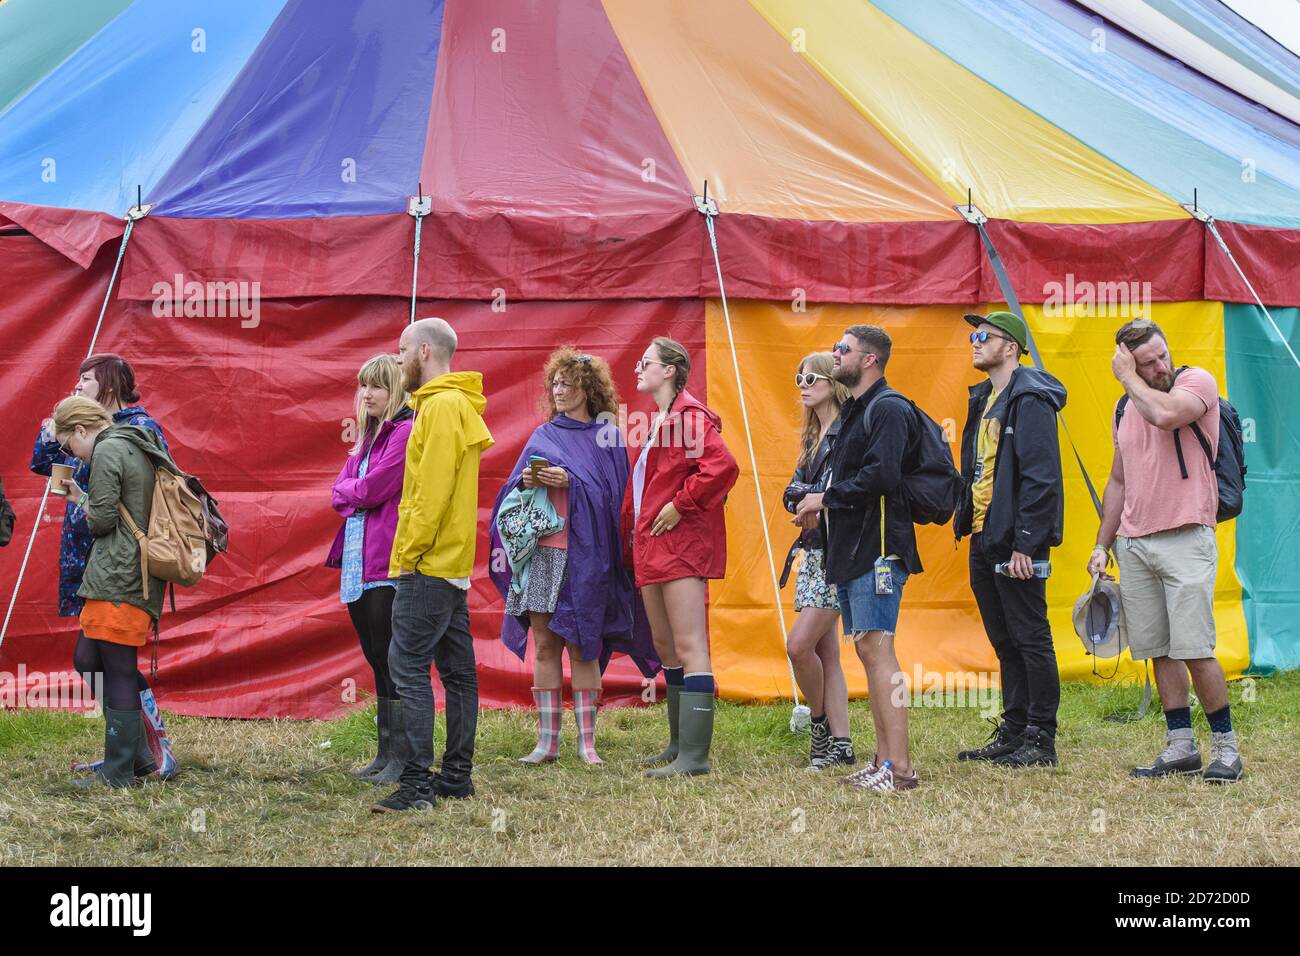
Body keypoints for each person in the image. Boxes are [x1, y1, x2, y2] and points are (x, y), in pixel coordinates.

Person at [1087, 319, 1242, 782]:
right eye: (1147, 361)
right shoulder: (1122, 408)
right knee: (1158, 649)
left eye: (1161, 354)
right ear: (1128, 359)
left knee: (1195, 647)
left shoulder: (1196, 383)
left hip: (1187, 537)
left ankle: (1227, 747)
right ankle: (1180, 746)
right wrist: (1102, 543)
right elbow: (1118, 480)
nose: (1160, 365)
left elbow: (1167, 414)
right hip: (1135, 544)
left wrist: (1128, 376)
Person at [489, 349, 657, 765]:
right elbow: (509, 497)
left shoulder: (609, 437)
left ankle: (587, 744)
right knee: (545, 647)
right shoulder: (542, 435)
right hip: (545, 556)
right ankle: (546, 743)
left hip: (588, 559)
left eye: (567, 383)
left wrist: (572, 482)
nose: (559, 390)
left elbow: (619, 503)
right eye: (555, 384)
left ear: (588, 388)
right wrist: (529, 481)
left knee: (584, 647)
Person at [31, 354, 178, 779]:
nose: (77, 385)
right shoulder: (106, 439)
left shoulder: (128, 435)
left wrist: (81, 498)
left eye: (86, 379)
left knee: (115, 664)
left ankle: (140, 756)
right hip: (97, 562)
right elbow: (45, 462)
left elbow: (108, 513)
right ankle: (132, 755)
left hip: (119, 564)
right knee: (91, 657)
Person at [373, 318, 494, 813]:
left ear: (424, 351)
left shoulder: (441, 406)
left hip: (428, 565)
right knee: (459, 673)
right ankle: (457, 777)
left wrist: (409, 555)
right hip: (450, 565)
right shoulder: (451, 403)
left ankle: (418, 785)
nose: (397, 360)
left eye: (401, 350)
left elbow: (430, 494)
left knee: (408, 669)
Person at [795, 325, 921, 792]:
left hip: (879, 549)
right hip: (851, 549)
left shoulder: (886, 407)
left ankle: (900, 770)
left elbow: (882, 477)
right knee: (868, 649)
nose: (834, 355)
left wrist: (822, 498)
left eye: (841, 350)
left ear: (868, 359)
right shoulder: (859, 412)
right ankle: (881, 760)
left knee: (878, 648)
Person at [953, 311, 1066, 767]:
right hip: (985, 534)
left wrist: (1025, 543)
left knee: (1031, 636)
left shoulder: (1031, 398)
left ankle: (1042, 737)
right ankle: (1015, 730)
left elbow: (1042, 478)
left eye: (985, 336)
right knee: (1004, 638)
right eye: (974, 335)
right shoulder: (985, 397)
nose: (975, 342)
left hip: (1016, 540)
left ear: (1012, 347)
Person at [623, 337, 738, 778]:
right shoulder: (660, 420)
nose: (638, 367)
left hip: (680, 546)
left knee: (690, 645)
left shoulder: (690, 417)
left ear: (669, 370)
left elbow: (723, 467)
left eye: (645, 361)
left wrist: (682, 504)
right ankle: (678, 743)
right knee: (667, 646)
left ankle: (695, 756)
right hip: (654, 545)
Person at [326, 355, 412, 783]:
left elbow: (376, 488)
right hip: (357, 561)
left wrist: (352, 491)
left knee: (393, 657)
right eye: (363, 386)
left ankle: (403, 758)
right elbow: (340, 491)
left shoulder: (405, 431)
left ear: (395, 388)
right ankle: (385, 754)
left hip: (387, 562)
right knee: (376, 658)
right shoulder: (368, 437)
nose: (367, 394)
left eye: (376, 386)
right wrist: (353, 491)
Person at [782, 352, 854, 769]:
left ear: (832, 382)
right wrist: (806, 499)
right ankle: (841, 744)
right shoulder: (815, 435)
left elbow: (840, 491)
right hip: (813, 550)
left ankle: (821, 726)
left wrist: (815, 499)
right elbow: (792, 490)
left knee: (799, 644)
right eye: (798, 377)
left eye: (811, 377)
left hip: (837, 552)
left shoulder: (846, 432)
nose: (803, 384)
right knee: (826, 651)